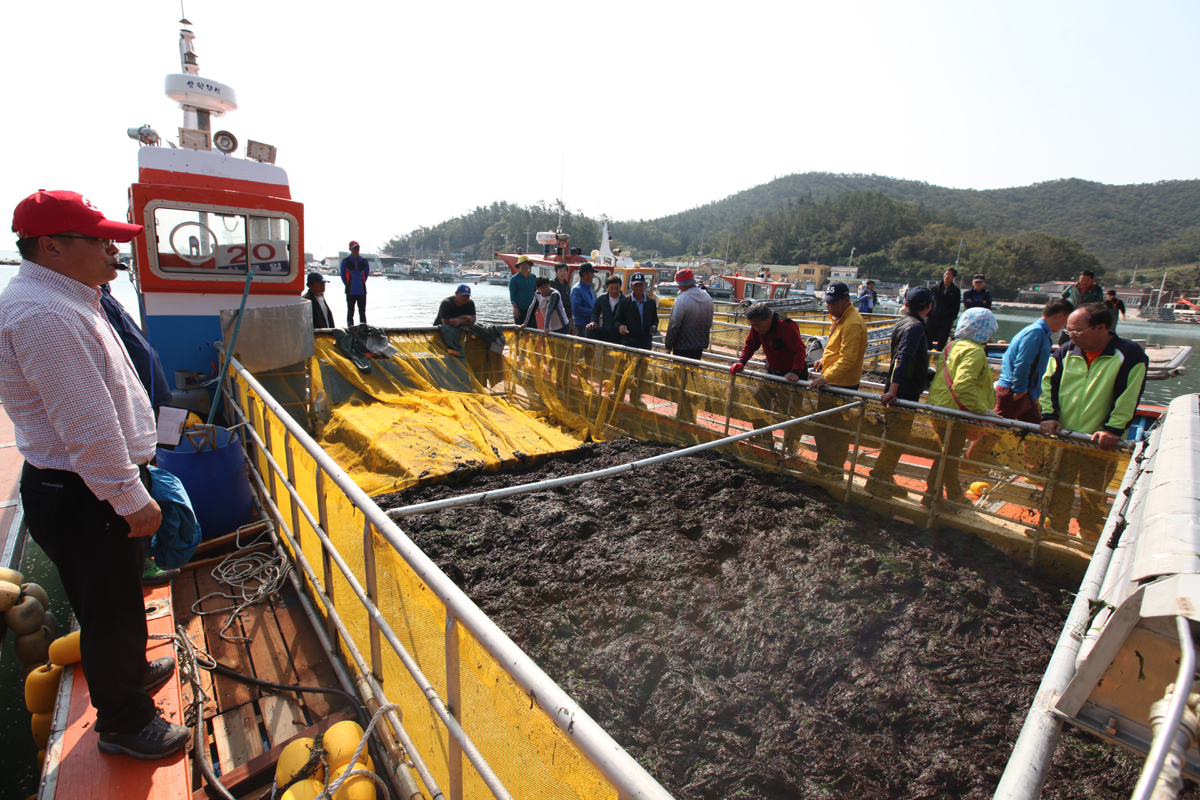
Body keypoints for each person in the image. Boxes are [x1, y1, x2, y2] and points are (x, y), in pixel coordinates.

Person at [1, 189, 189, 760]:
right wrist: (130, 497)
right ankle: (125, 724)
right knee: (107, 606)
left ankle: (127, 672)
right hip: (86, 492)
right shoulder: (47, 316)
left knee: (118, 596)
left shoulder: (69, 299)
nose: (114, 250)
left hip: (90, 486)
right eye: (101, 240)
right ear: (52, 246)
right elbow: (87, 425)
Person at [1039, 303, 1148, 540]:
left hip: (1099, 440)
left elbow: (1129, 395)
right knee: (1058, 483)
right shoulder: (1066, 351)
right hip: (1064, 435)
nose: (1071, 335)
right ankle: (1055, 528)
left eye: (1077, 331)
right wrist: (1049, 416)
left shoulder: (1129, 354)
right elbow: (1048, 385)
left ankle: (1089, 531)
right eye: (1068, 330)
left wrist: (1113, 429)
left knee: (1094, 489)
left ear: (1101, 327)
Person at [923, 307, 1001, 506]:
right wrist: (982, 410)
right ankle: (934, 496)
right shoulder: (975, 351)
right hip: (954, 413)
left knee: (947, 455)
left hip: (940, 406)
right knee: (948, 456)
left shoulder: (953, 346)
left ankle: (948, 493)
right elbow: (963, 385)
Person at [869, 287, 934, 496]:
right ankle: (879, 479)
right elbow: (902, 357)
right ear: (929, 307)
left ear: (906, 304)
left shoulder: (903, 323)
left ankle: (883, 477)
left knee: (894, 439)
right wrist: (894, 389)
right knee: (897, 440)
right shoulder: (915, 327)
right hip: (903, 391)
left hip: (900, 387)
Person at [809, 281, 867, 478]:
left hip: (842, 385)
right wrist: (824, 361)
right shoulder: (840, 318)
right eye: (828, 303)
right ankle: (824, 466)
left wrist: (825, 377)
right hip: (833, 381)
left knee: (836, 431)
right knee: (824, 428)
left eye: (834, 303)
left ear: (846, 300)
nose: (830, 307)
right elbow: (837, 348)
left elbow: (848, 358)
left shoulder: (852, 323)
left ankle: (834, 469)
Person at [994, 299, 1074, 424]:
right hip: (1016, 391)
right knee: (995, 429)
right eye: (1067, 321)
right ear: (1060, 316)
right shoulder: (1036, 332)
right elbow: (1023, 363)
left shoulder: (1039, 332)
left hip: (1027, 393)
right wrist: (1020, 390)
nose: (1066, 326)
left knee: (1036, 430)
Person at [729, 302, 808, 382]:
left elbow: (799, 350)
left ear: (769, 318)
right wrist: (742, 362)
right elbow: (750, 345)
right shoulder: (757, 327)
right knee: (761, 390)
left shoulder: (786, 326)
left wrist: (795, 371)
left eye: (758, 325)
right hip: (772, 370)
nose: (756, 329)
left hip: (792, 373)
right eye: (753, 325)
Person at [663, 269, 714, 361]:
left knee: (679, 369)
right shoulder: (708, 298)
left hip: (681, 347)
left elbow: (674, 325)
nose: (678, 287)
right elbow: (709, 322)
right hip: (699, 346)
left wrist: (668, 346)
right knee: (694, 369)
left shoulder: (682, 299)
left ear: (683, 284)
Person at [615, 273, 659, 349]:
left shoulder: (651, 302)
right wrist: (620, 326)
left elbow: (655, 320)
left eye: (641, 285)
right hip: (629, 343)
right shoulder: (624, 302)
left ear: (645, 285)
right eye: (636, 285)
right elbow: (617, 320)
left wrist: (654, 326)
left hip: (646, 343)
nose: (638, 288)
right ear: (631, 285)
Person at [433, 284, 478, 356]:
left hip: (458, 335)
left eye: (467, 296)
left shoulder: (470, 303)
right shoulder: (446, 303)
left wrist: (459, 321)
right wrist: (465, 317)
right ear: (456, 293)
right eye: (463, 295)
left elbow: (473, 320)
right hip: (440, 334)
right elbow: (446, 322)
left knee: (459, 354)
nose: (465, 298)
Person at [928, 268, 961, 352]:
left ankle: (940, 357)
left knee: (942, 341)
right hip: (933, 317)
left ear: (953, 277)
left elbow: (956, 305)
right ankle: (927, 356)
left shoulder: (955, 290)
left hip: (946, 319)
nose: (946, 276)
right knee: (928, 338)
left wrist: (952, 317)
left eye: (949, 275)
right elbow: (930, 301)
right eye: (945, 274)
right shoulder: (935, 288)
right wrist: (928, 314)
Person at [587, 276, 625, 344]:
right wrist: (594, 321)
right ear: (607, 287)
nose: (614, 291)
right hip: (606, 331)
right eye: (612, 288)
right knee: (590, 328)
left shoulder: (626, 300)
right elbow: (595, 311)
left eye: (616, 288)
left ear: (620, 287)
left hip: (620, 333)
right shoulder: (602, 299)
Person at [340, 240, 369, 326]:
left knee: (362, 312)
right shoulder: (345, 261)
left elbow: (366, 275)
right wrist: (348, 284)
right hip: (350, 290)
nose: (356, 250)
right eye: (354, 248)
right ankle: (350, 328)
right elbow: (342, 275)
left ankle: (363, 328)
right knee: (350, 311)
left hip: (361, 290)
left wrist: (360, 283)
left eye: (357, 248)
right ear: (350, 249)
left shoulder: (364, 261)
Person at [570, 264, 597, 337]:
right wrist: (593, 312)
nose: (593, 275)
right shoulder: (577, 289)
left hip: (591, 324)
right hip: (581, 325)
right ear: (585, 274)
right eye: (592, 273)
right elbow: (576, 308)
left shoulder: (589, 287)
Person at [508, 255, 537, 325]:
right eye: (522, 264)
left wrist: (537, 305)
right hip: (520, 309)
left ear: (529, 265)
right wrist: (515, 308)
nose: (525, 266)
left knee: (533, 329)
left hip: (531, 309)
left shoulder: (533, 277)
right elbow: (512, 294)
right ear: (519, 266)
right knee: (520, 329)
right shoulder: (514, 279)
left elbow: (535, 292)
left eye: (526, 264)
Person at [550, 263, 573, 330]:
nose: (562, 273)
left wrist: (571, 315)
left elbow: (568, 300)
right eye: (560, 271)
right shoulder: (551, 284)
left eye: (564, 271)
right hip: (554, 314)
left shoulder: (567, 285)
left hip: (565, 314)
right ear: (556, 272)